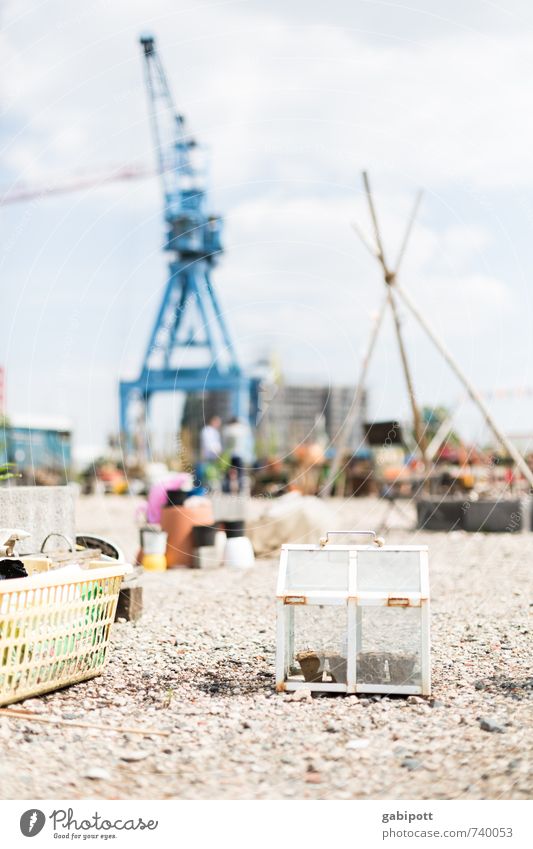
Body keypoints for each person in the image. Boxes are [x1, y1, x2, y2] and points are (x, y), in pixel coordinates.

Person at [222, 417, 252, 493]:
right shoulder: (241, 429)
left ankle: (228, 488)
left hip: (230, 455)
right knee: (240, 473)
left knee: (230, 473)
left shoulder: (228, 430)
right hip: (239, 455)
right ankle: (240, 488)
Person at [198, 415, 222, 487]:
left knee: (213, 474)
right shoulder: (206, 430)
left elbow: (218, 445)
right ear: (213, 421)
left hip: (214, 457)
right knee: (205, 473)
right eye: (217, 423)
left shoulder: (216, 432)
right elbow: (207, 445)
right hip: (207, 456)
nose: (218, 425)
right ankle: (204, 487)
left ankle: (211, 487)